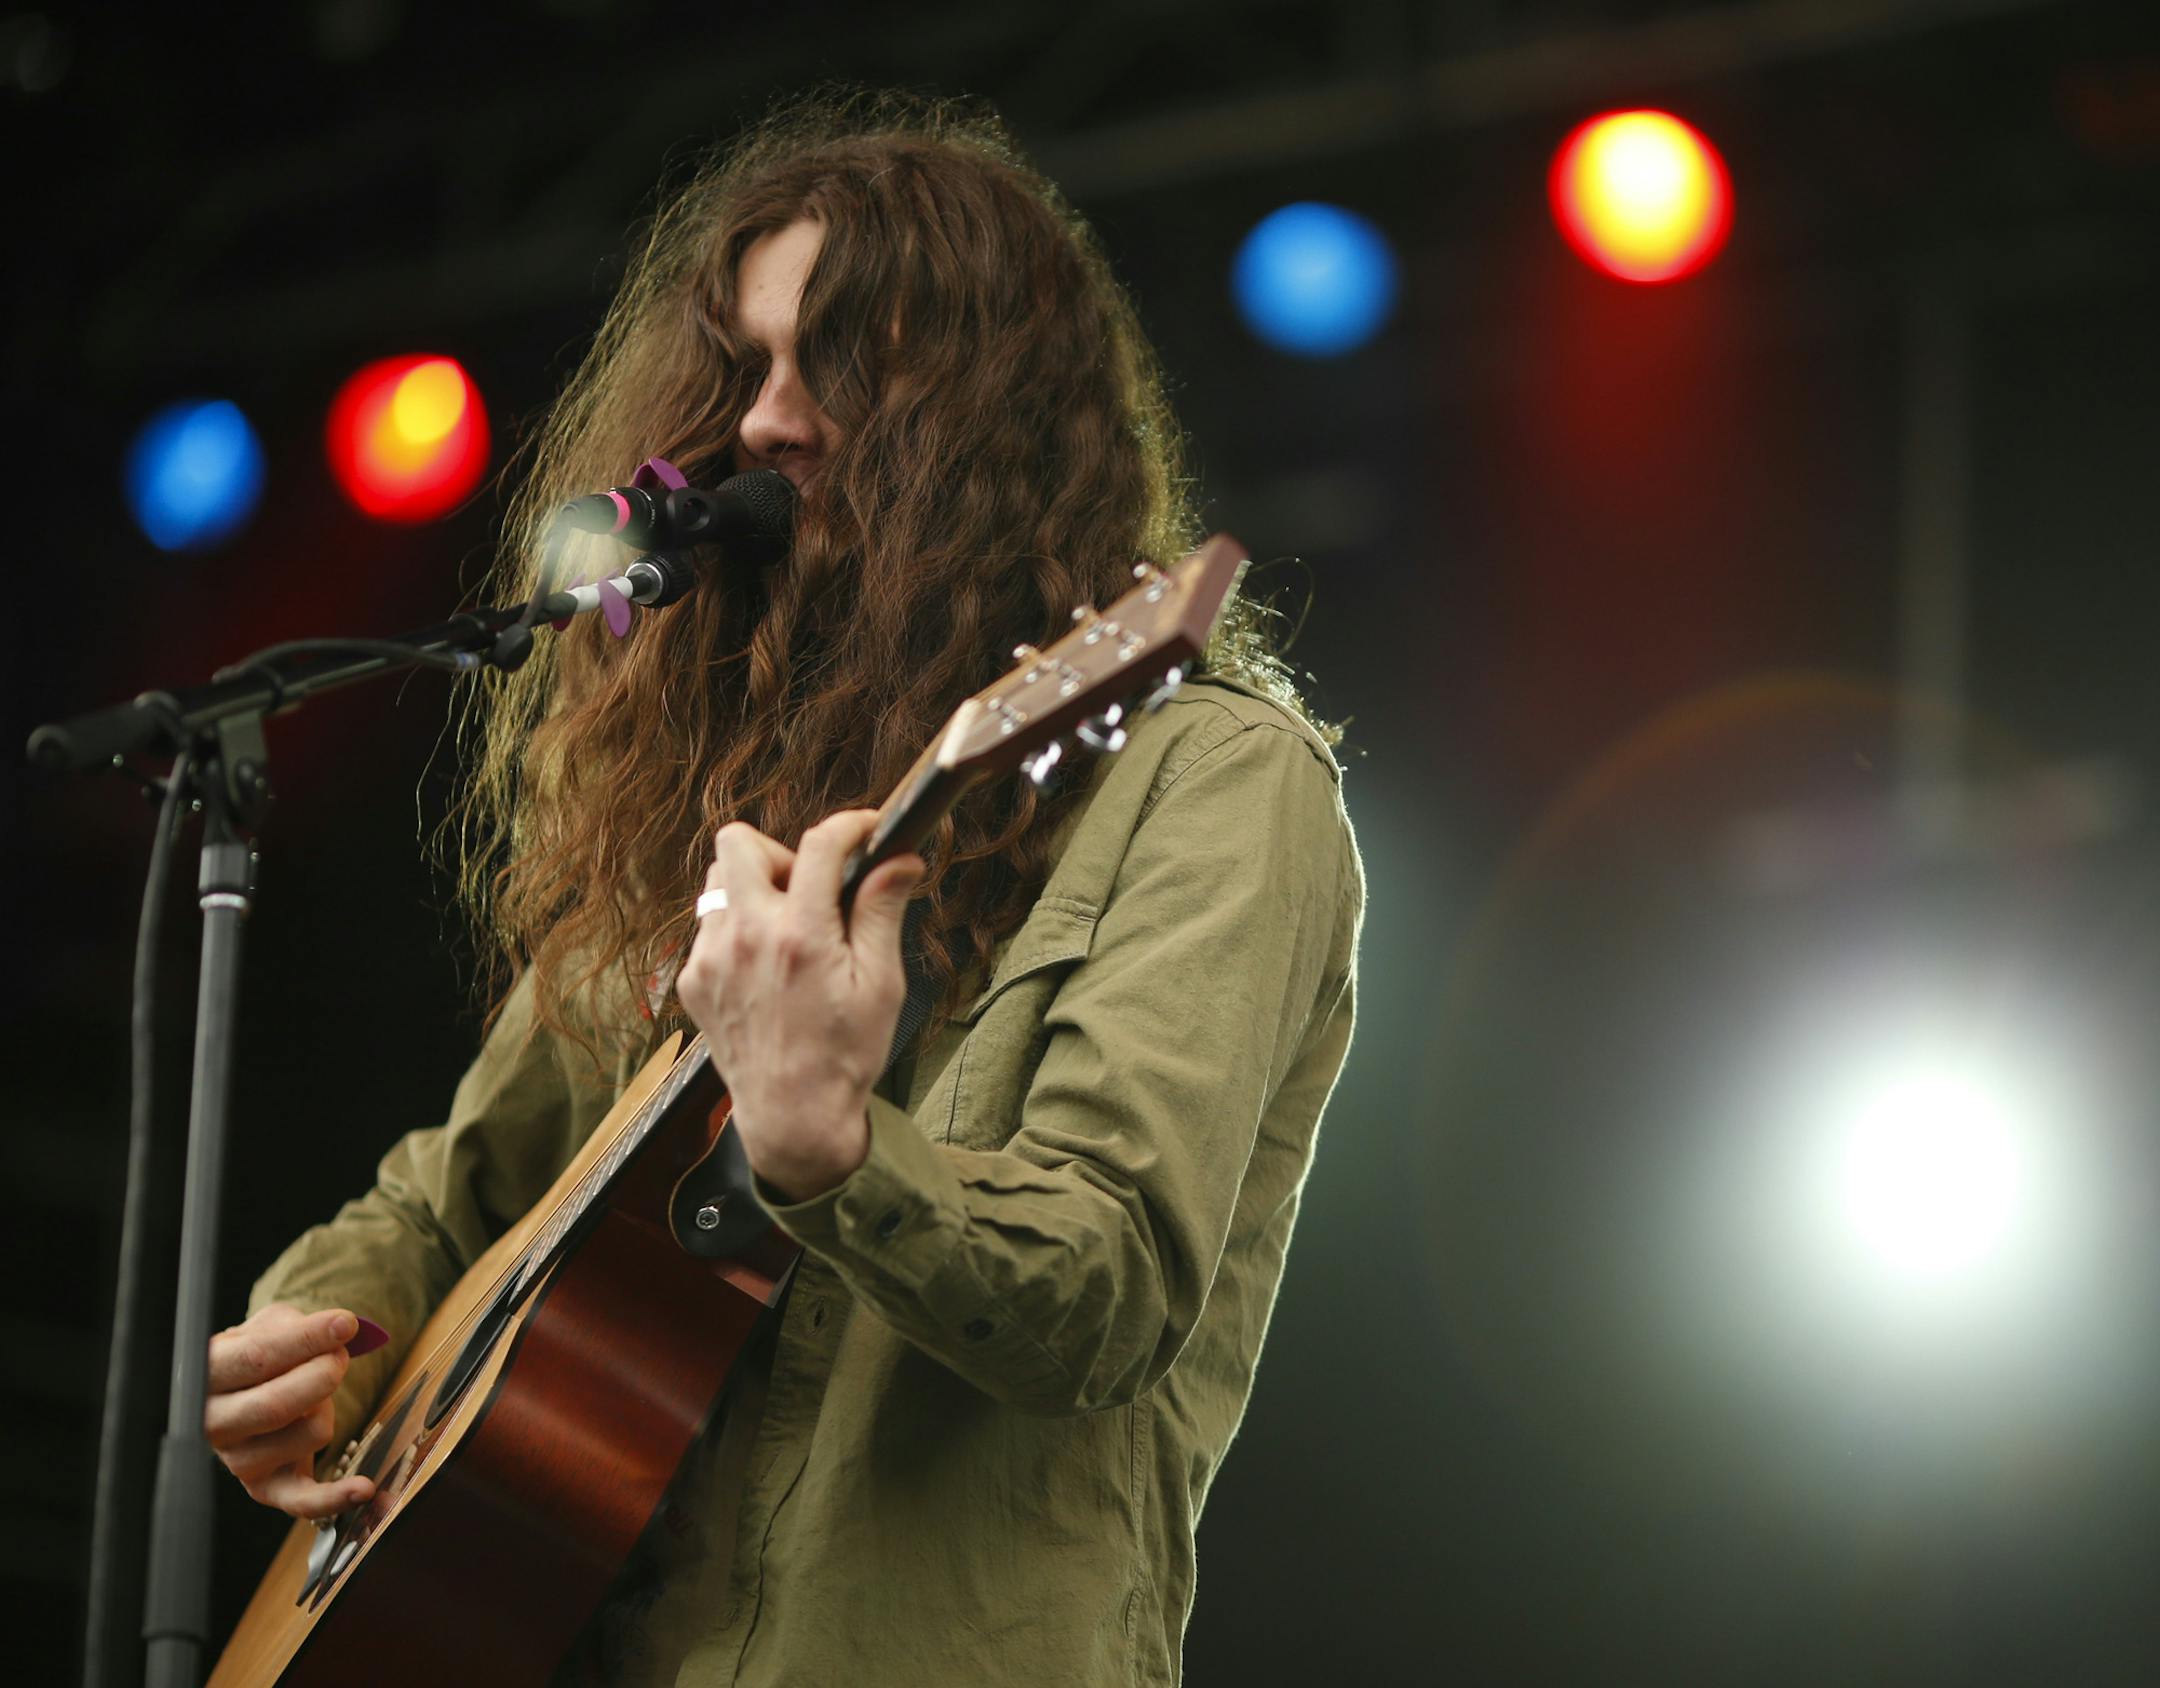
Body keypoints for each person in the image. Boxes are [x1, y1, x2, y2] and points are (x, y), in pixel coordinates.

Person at [201, 93, 1363, 1686]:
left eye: (842, 365)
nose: (767, 422)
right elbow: (446, 1198)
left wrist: (831, 1149)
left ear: (1002, 423)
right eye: (748, 365)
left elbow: (1103, 1293)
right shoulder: (718, 789)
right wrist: (320, 1341)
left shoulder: (1217, 780)